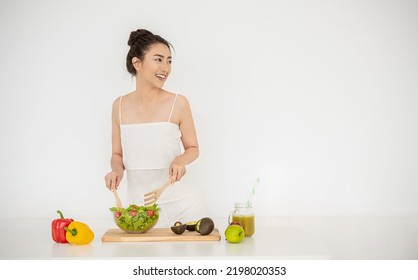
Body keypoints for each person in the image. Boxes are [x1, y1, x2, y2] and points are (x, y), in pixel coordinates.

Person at [104, 29, 205, 227]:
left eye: (169, 61)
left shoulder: (179, 103)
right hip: (140, 210)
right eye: (158, 59)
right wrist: (116, 171)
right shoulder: (119, 106)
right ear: (137, 63)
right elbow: (117, 154)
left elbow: (193, 149)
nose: (165, 68)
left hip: (184, 207)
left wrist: (180, 160)